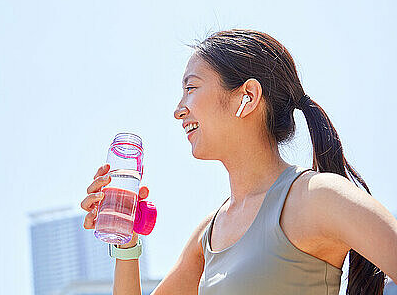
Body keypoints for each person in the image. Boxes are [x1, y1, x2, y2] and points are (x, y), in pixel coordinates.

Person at [80, 29, 397, 294]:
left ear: (247, 97)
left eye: (191, 88)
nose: (178, 109)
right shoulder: (210, 231)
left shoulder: (317, 197)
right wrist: (126, 242)